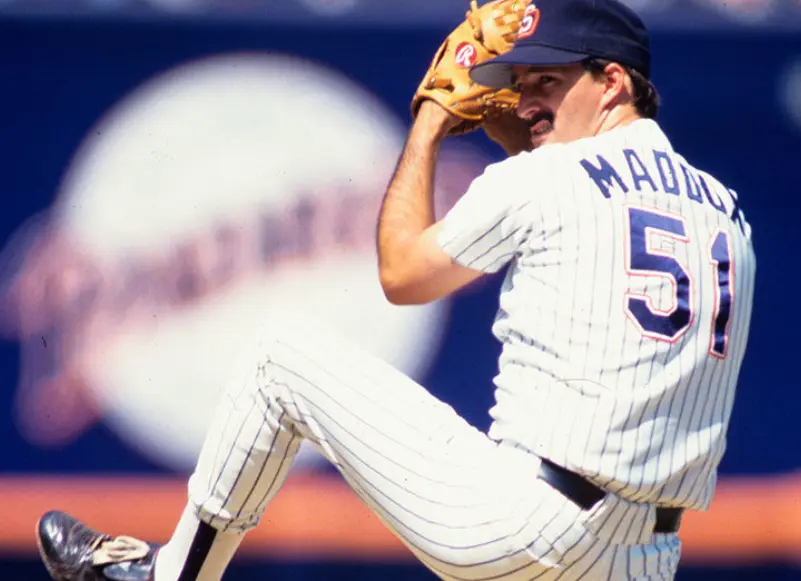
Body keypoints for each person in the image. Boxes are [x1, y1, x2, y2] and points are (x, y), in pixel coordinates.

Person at [35, 0, 756, 580]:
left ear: (613, 83)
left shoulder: (540, 182)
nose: (526, 100)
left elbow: (402, 274)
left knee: (280, 358)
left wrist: (432, 121)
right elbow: (583, 206)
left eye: (547, 82)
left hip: (520, 521)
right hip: (644, 555)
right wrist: (526, 130)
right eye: (520, 83)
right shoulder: (725, 213)